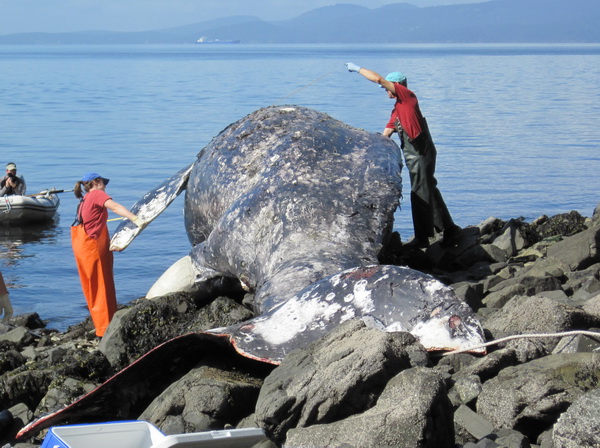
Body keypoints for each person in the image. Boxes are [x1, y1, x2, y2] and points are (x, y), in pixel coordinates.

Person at [345, 62, 461, 248]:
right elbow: (386, 134)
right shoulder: (397, 109)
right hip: (415, 155)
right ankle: (449, 229)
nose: (385, 91)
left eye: (388, 87)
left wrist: (357, 69)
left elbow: (378, 79)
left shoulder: (407, 97)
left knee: (419, 193)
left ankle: (423, 239)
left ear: (397, 85)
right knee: (429, 188)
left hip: (420, 154)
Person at [71, 172, 147, 337]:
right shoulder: (97, 194)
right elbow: (115, 207)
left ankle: (101, 326)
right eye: (103, 183)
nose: (105, 186)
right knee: (102, 286)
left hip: (82, 248)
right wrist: (136, 219)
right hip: (93, 247)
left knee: (92, 287)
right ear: (96, 182)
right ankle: (106, 330)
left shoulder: (83, 200)